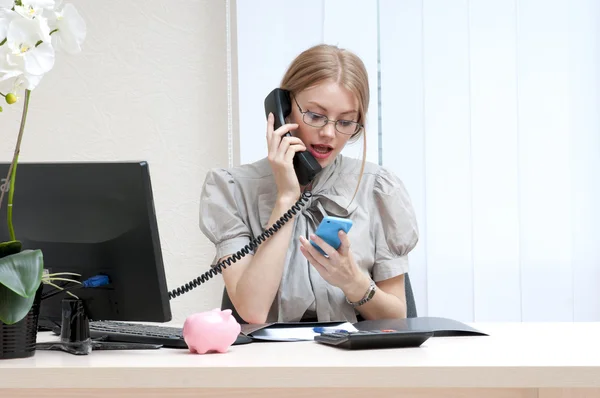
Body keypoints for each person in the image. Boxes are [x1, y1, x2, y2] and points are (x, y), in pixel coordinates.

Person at [199, 44, 419, 324]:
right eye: (315, 116)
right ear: (284, 110)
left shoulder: (378, 189)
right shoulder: (231, 189)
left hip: (356, 361)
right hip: (271, 363)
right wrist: (287, 198)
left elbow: (397, 319)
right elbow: (252, 311)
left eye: (346, 121)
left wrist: (353, 282)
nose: (329, 133)